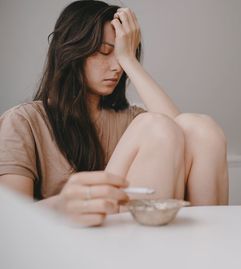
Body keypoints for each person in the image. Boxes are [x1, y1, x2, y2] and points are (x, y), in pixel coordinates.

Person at [0, 0, 228, 227]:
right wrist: (61, 205)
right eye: (104, 52)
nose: (117, 67)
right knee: (156, 126)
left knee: (202, 129)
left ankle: (204, 252)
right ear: (72, 52)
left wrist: (130, 60)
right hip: (73, 240)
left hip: (136, 236)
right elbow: (10, 220)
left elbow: (186, 134)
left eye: (121, 56)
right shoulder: (23, 121)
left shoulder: (131, 119)